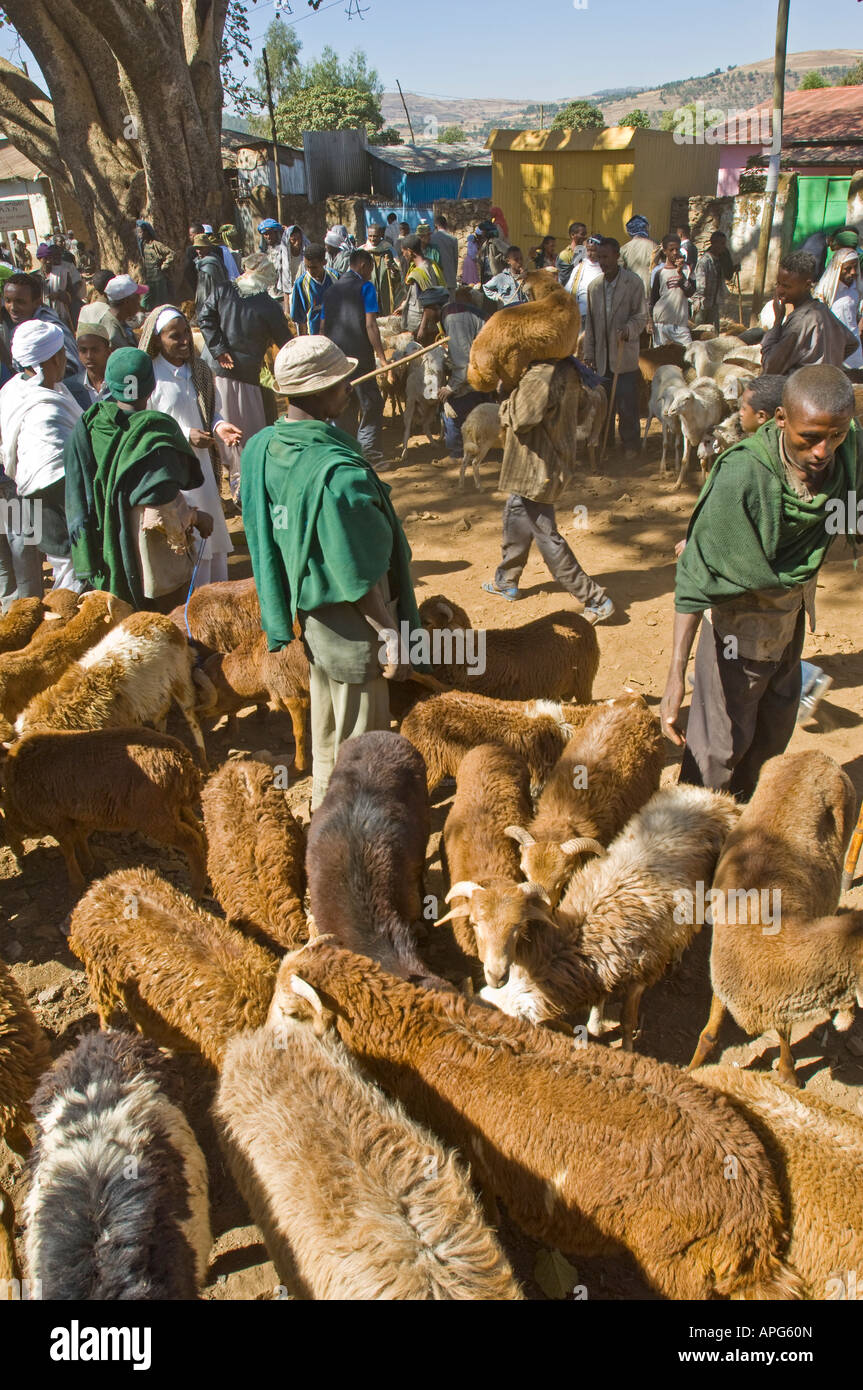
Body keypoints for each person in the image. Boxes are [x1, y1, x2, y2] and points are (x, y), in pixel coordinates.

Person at [660, 365, 861, 800]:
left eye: (837, 435)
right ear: (780, 419)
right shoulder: (744, 476)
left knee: (771, 739)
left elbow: (853, 504)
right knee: (716, 755)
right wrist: (676, 676)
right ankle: (692, 844)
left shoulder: (846, 451)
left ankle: (741, 838)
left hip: (789, 621)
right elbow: (696, 575)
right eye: (810, 437)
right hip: (736, 630)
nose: (824, 450)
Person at [240, 335, 422, 808]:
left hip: (314, 618)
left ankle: (325, 814)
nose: (348, 388)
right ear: (321, 392)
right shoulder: (339, 474)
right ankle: (352, 838)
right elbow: (357, 570)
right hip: (354, 626)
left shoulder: (263, 447)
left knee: (329, 731)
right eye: (341, 382)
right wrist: (389, 633)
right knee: (363, 749)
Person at [65, 347, 212, 611]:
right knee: (163, 622)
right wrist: (197, 518)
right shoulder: (157, 432)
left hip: (109, 550)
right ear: (152, 385)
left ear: (109, 383)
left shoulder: (90, 424)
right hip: (151, 553)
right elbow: (162, 497)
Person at [482, 355, 614, 623]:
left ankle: (595, 599)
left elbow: (520, 418)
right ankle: (506, 580)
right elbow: (581, 410)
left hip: (537, 467)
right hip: (548, 462)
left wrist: (505, 398)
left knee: (545, 534)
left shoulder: (539, 375)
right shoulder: (569, 368)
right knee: (516, 510)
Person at [138, 306, 238, 587]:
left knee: (213, 543)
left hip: (202, 469)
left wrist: (220, 427)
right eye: (175, 336)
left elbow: (212, 411)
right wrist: (184, 436)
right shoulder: (150, 375)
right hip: (173, 474)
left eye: (186, 334)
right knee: (189, 542)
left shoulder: (200, 371)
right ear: (158, 340)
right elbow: (145, 423)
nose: (184, 341)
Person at [0, 320, 86, 599]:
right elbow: (57, 475)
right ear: (53, 358)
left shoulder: (18, 388)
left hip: (22, 490)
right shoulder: (45, 412)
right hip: (49, 499)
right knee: (70, 570)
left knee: (32, 569)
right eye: (62, 353)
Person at [198, 256, 292, 502]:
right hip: (236, 376)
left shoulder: (226, 290)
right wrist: (220, 349)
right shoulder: (262, 303)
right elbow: (285, 339)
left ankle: (237, 488)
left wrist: (218, 350)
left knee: (227, 432)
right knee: (241, 435)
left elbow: (205, 317)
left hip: (224, 373)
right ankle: (242, 490)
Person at [581, 236, 648, 461]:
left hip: (624, 355)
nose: (603, 262)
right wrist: (588, 354)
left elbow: (641, 315)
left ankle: (630, 444)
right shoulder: (594, 287)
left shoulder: (633, 283)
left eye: (606, 257)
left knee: (627, 402)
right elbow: (589, 324)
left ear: (617, 256)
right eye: (599, 257)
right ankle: (605, 443)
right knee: (602, 402)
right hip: (601, 357)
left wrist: (628, 329)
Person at [321, 248, 388, 465]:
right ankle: (370, 454)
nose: (370, 274)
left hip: (337, 360)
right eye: (370, 269)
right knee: (372, 403)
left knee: (344, 404)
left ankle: (348, 455)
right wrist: (382, 358)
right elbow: (371, 325)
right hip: (361, 359)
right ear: (362, 265)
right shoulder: (365, 288)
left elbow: (322, 328)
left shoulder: (330, 291)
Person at [761, 251, 860, 376]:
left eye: (786, 286)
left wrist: (777, 322)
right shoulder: (822, 310)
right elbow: (851, 343)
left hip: (803, 389)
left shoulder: (800, 322)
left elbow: (770, 367)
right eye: (778, 284)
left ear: (807, 285)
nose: (779, 291)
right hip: (828, 386)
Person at [438, 290, 493, 463]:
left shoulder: (453, 318)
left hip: (486, 364)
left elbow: (463, 363)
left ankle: (457, 453)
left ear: (432, 309)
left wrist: (450, 388)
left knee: (452, 406)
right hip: (486, 362)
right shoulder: (455, 312)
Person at [1, 271, 83, 380]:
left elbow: (71, 368)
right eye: (8, 301)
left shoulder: (49, 329)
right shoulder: (22, 325)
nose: (12, 308)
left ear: (37, 302)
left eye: (20, 302)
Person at [814, 247, 863, 370]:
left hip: (853, 341)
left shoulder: (856, 289)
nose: (852, 272)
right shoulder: (826, 292)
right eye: (847, 269)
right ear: (838, 268)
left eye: (855, 267)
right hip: (831, 341)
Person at [396, 235, 447, 343]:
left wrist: (422, 328)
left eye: (403, 252)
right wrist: (404, 306)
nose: (403, 255)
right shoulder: (430, 264)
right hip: (425, 324)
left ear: (410, 251)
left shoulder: (421, 272)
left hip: (422, 326)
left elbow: (430, 303)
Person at [649, 236, 693, 347]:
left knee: (688, 356)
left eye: (677, 249)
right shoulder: (659, 273)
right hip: (661, 325)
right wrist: (649, 320)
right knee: (661, 361)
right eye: (671, 250)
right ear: (664, 251)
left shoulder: (687, 270)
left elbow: (690, 292)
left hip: (680, 325)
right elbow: (653, 300)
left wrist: (680, 274)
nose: (675, 252)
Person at [290, 243, 337, 337]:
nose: (311, 271)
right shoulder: (301, 284)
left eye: (314, 267)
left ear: (324, 262)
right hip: (314, 337)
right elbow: (300, 320)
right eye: (307, 267)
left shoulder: (335, 277)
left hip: (337, 334)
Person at [35, 242, 83, 328]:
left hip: (62, 313)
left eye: (50, 258)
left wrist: (60, 295)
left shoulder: (63, 272)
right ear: (39, 259)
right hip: (44, 316)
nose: (49, 261)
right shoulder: (36, 277)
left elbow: (72, 291)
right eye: (45, 258)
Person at [361, 222, 403, 318]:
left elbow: (397, 277)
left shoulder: (389, 251)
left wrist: (392, 268)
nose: (372, 239)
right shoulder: (362, 252)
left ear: (381, 235)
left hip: (385, 295)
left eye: (375, 236)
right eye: (370, 236)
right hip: (368, 294)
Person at [692, 231, 729, 334]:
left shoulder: (718, 261)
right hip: (703, 303)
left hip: (713, 302)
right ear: (713, 243)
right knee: (700, 331)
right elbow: (700, 283)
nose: (723, 247)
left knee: (713, 332)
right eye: (721, 244)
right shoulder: (704, 262)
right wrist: (698, 300)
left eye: (724, 244)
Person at [136, 221, 175, 310]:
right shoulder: (143, 245)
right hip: (149, 277)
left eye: (141, 232)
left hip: (158, 277)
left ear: (146, 232)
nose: (139, 234)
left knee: (161, 300)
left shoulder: (156, 245)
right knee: (145, 300)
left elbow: (171, 253)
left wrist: (165, 265)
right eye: (138, 232)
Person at [566, 233, 603, 320]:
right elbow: (568, 289)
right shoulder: (579, 268)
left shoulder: (605, 269)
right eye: (588, 250)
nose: (590, 254)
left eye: (593, 251)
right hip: (580, 315)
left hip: (599, 316)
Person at [619, 215, 657, 299]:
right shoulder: (655, 246)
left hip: (630, 292)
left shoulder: (624, 249)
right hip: (649, 292)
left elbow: (619, 273)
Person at [190, 235, 229, 318]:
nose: (199, 251)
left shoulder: (211, 263)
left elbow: (213, 287)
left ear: (208, 248)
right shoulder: (200, 261)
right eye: (197, 248)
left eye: (201, 248)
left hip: (210, 298)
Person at [75, 320, 112, 404]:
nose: (89, 356)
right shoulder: (70, 387)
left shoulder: (122, 384)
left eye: (95, 350)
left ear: (108, 351)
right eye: (83, 350)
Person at [430, 216, 459, 298]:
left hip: (436, 279)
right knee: (450, 307)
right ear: (446, 225)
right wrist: (453, 275)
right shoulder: (453, 239)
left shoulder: (431, 239)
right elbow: (455, 260)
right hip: (450, 279)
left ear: (436, 225)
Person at [556, 222, 587, 286]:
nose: (585, 237)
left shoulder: (585, 252)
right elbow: (565, 279)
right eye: (582, 234)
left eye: (585, 234)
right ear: (573, 235)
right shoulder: (564, 255)